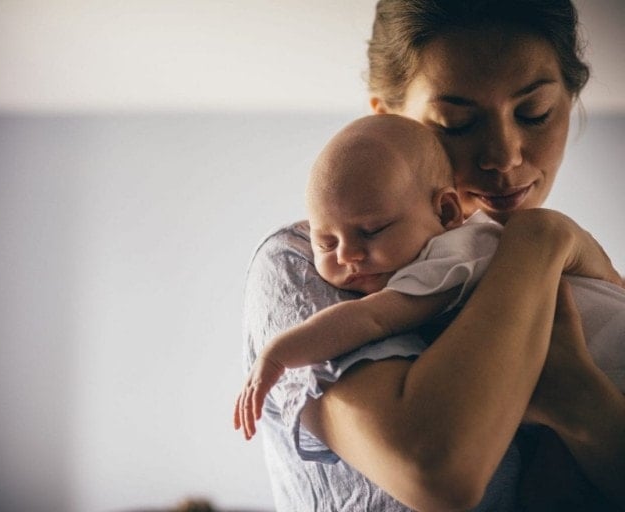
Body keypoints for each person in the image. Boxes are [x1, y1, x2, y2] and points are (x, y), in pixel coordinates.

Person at [240, 1, 625, 510]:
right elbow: (437, 471)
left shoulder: (577, 275)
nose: (505, 157)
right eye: (457, 123)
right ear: (391, 121)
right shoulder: (309, 262)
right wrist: (540, 239)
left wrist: (579, 400)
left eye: (535, 113)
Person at [234, 114, 625, 442]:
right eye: (325, 242)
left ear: (446, 213)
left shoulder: (454, 255)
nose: (348, 255)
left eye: (372, 230)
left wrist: (278, 354)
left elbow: (371, 317)